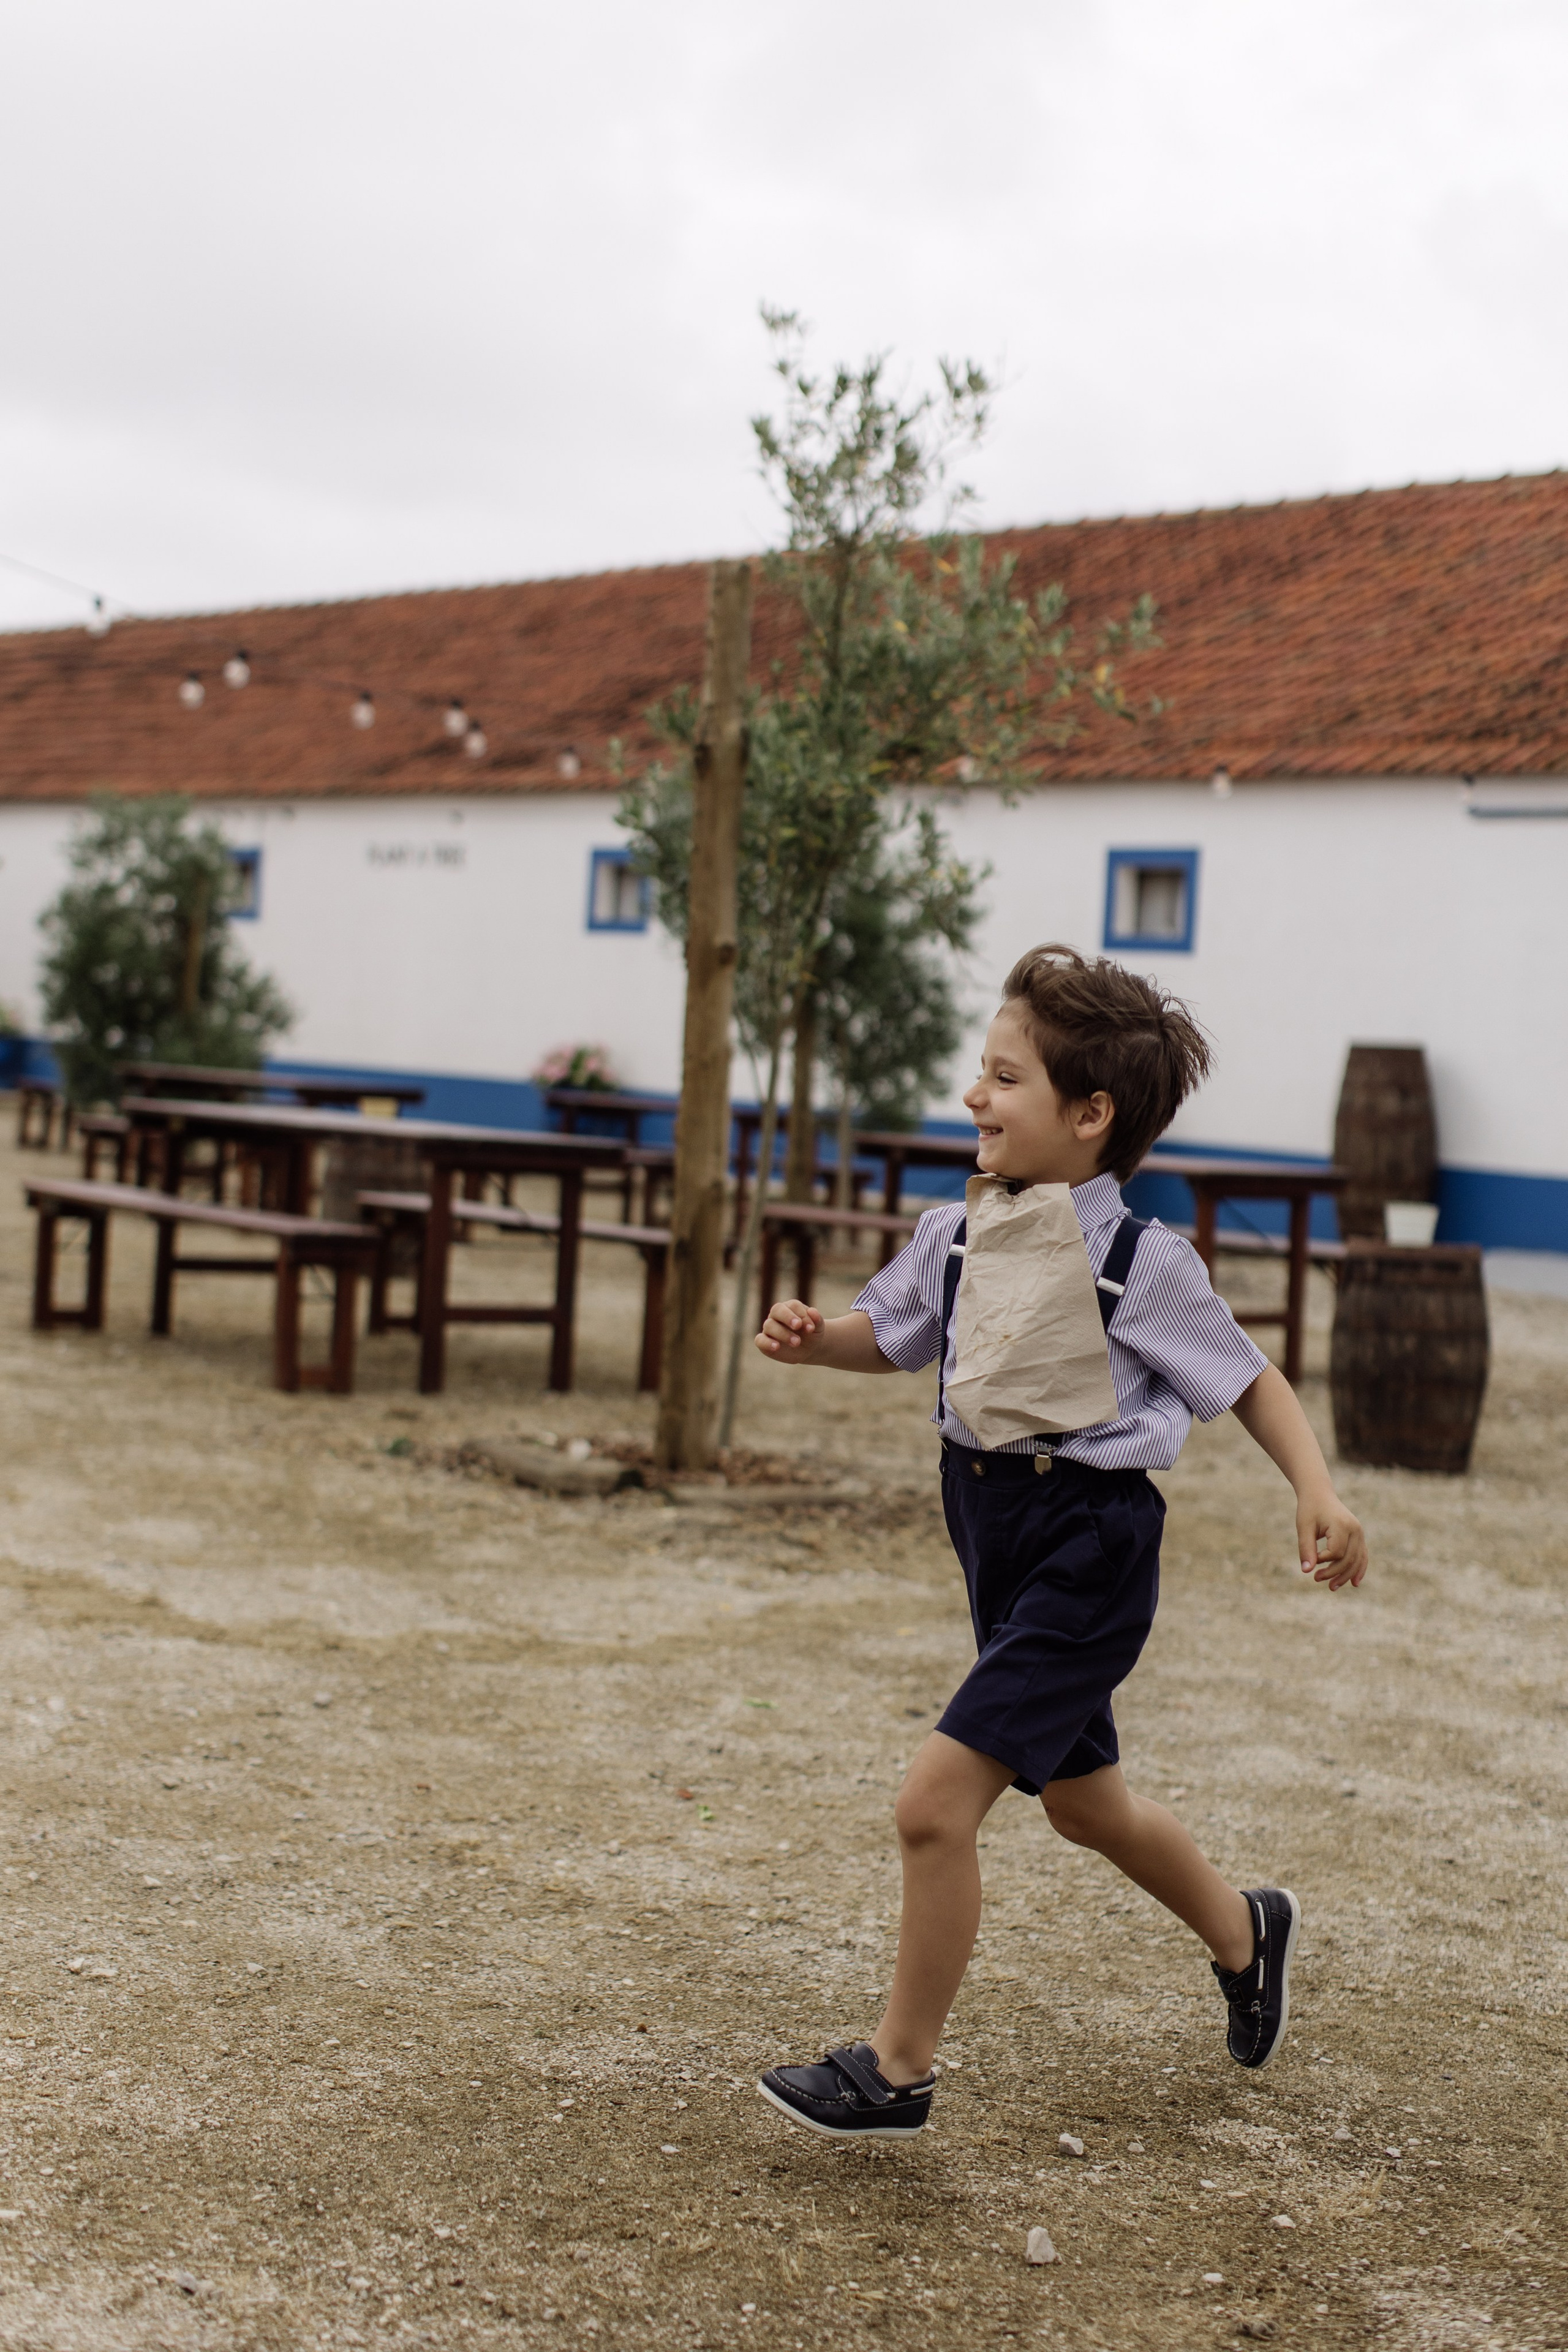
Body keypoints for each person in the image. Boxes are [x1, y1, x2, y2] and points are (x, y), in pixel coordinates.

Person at [752, 944, 1367, 2141]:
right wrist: (808, 1333)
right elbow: (885, 1338)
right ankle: (1246, 1932)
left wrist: (1315, 1488)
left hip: (1090, 1550)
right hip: (993, 1533)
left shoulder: (1141, 1263)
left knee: (933, 1804)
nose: (974, 1097)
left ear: (1089, 1117)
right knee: (1083, 1806)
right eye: (980, 1073)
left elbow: (1247, 1382)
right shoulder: (957, 1233)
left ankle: (897, 2071)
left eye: (1003, 1078)